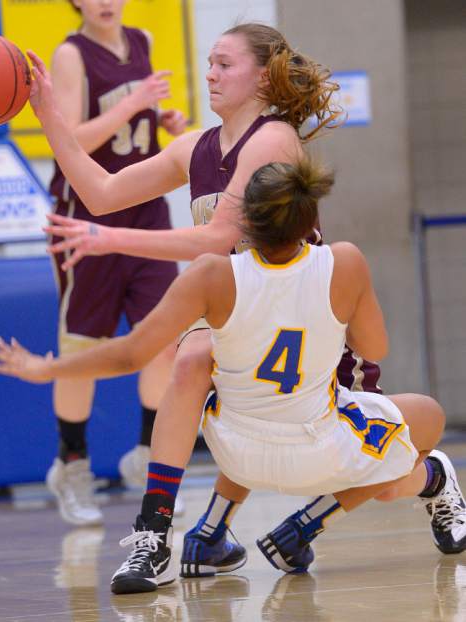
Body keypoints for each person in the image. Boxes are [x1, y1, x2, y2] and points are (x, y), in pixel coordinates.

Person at [24, 22, 465, 590]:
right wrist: (48, 116)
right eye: (208, 62)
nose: (209, 73)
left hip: (301, 319)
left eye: (224, 64)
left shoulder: (272, 138)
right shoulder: (195, 148)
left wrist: (108, 241)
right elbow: (102, 193)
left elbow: (216, 238)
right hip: (237, 310)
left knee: (383, 482)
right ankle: (154, 537)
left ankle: (430, 478)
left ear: (262, 74)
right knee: (191, 363)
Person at [45, 0, 186, 526]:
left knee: (165, 340)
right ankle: (73, 464)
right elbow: (72, 141)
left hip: (147, 211)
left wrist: (165, 120)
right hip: (87, 214)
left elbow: (138, 129)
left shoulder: (142, 39)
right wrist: (135, 105)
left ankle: (149, 454)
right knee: (85, 348)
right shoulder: (70, 54)